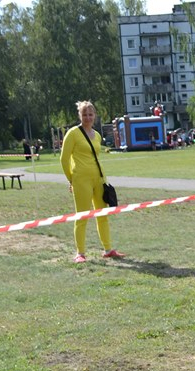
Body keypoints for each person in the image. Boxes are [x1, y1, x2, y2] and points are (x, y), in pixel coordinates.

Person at [61, 100, 124, 264]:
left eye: (90, 114)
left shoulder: (96, 135)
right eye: (84, 114)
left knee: (102, 215)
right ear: (79, 116)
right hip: (81, 180)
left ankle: (108, 249)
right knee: (82, 216)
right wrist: (71, 179)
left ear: (94, 116)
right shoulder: (73, 133)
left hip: (99, 179)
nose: (88, 117)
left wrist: (104, 180)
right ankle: (80, 253)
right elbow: (64, 159)